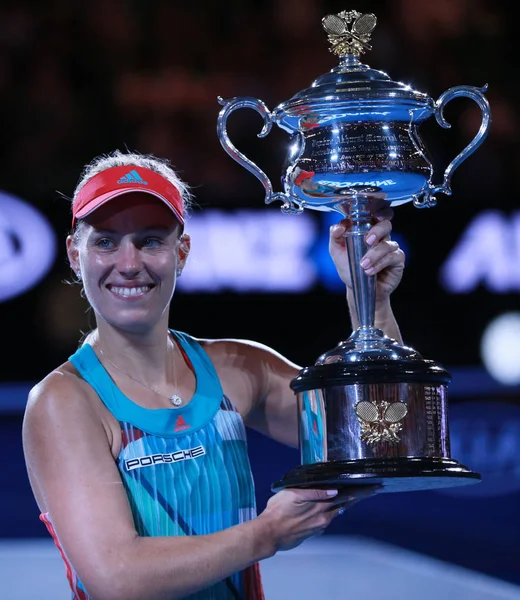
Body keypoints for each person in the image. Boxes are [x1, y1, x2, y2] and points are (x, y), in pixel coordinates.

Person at [22, 150, 405, 600]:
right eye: (105, 241)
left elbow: (380, 436)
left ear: (181, 252)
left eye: (150, 241)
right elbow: (117, 579)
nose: (128, 263)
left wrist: (371, 302)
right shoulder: (64, 401)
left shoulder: (241, 369)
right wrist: (268, 533)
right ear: (74, 254)